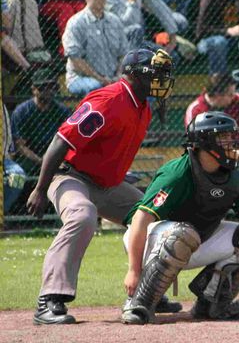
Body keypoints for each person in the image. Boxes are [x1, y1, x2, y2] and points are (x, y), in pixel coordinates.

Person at [25, 48, 176, 325]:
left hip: (108, 184)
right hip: (70, 177)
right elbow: (60, 142)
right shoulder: (108, 99)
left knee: (154, 217)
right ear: (133, 75)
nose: (159, 79)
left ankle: (149, 291)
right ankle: (49, 300)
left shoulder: (143, 106)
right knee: (82, 216)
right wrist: (39, 188)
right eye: (154, 73)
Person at [120, 112, 239, 324]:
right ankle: (137, 304)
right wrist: (133, 271)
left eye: (231, 136)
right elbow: (140, 219)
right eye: (224, 136)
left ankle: (212, 304)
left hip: (194, 239)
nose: (231, 142)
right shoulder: (178, 172)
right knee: (183, 233)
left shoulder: (233, 172)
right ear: (205, 141)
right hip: (150, 240)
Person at [185, 73, 239, 167]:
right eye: (230, 94)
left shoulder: (235, 99)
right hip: (208, 155)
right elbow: (195, 140)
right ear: (218, 95)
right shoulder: (196, 109)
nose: (234, 96)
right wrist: (228, 153)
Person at [62, 0, 130, 95]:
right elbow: (75, 59)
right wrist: (100, 79)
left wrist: (118, 76)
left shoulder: (115, 21)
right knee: (97, 87)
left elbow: (124, 54)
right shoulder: (76, 23)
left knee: (139, 84)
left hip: (112, 77)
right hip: (80, 78)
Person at [11, 69, 71, 176]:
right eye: (43, 87)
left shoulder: (62, 110)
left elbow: (67, 141)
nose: (48, 90)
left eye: (51, 86)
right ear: (34, 89)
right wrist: (40, 161)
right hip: (30, 156)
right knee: (20, 172)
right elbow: (20, 146)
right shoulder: (22, 111)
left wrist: (51, 158)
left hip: (55, 152)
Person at [3, 104, 26, 215]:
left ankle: (2, 212)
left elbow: (7, 135)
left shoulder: (1, 107)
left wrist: (9, 154)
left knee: (18, 176)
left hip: (3, 158)